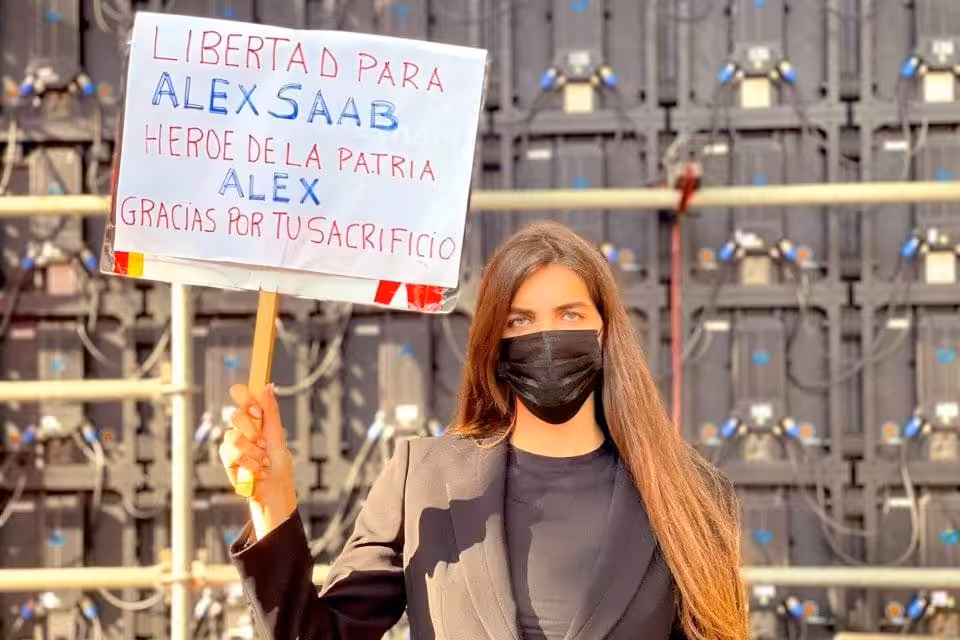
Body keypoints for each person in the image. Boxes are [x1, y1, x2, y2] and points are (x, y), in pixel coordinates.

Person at [221, 221, 748, 640]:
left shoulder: (691, 498)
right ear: (493, 345)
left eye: (569, 315)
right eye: (519, 320)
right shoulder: (421, 480)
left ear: (605, 330)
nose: (546, 336)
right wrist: (272, 499)